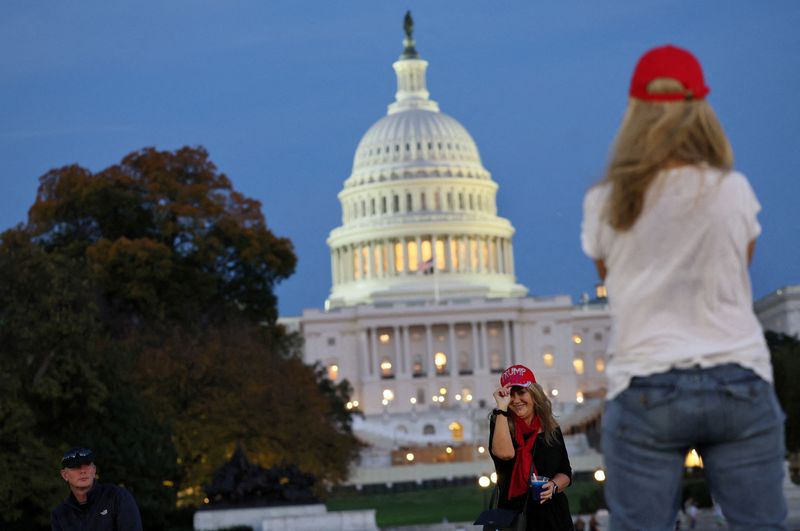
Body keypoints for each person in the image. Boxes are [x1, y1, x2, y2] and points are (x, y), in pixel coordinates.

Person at [581, 44, 787, 530]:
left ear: (633, 111)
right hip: (738, 380)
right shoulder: (733, 190)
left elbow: (612, 281)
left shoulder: (606, 202)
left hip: (646, 385)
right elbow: (739, 269)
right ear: (702, 111)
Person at [489, 364, 575, 530]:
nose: (516, 400)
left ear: (534, 394)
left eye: (521, 392)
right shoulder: (500, 422)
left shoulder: (550, 427)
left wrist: (554, 486)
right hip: (514, 517)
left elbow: (566, 472)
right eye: (510, 394)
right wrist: (501, 407)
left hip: (552, 517)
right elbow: (505, 454)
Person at [51, 447, 143, 531]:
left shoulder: (117, 497)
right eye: (76, 467)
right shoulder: (60, 514)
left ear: (94, 470)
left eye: (87, 465)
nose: (83, 471)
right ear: (64, 475)